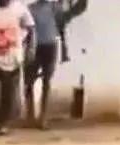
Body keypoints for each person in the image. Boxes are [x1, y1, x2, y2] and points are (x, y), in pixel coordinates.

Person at [25, 0, 88, 129]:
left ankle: (43, 117)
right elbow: (26, 31)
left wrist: (64, 48)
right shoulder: (30, 9)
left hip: (50, 46)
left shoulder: (54, 8)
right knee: (29, 81)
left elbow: (62, 25)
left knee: (46, 81)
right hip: (34, 47)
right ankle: (30, 116)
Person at [0, 0, 35, 137]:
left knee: (7, 92)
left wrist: (30, 50)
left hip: (12, 57)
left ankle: (3, 123)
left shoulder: (21, 10)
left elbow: (31, 29)